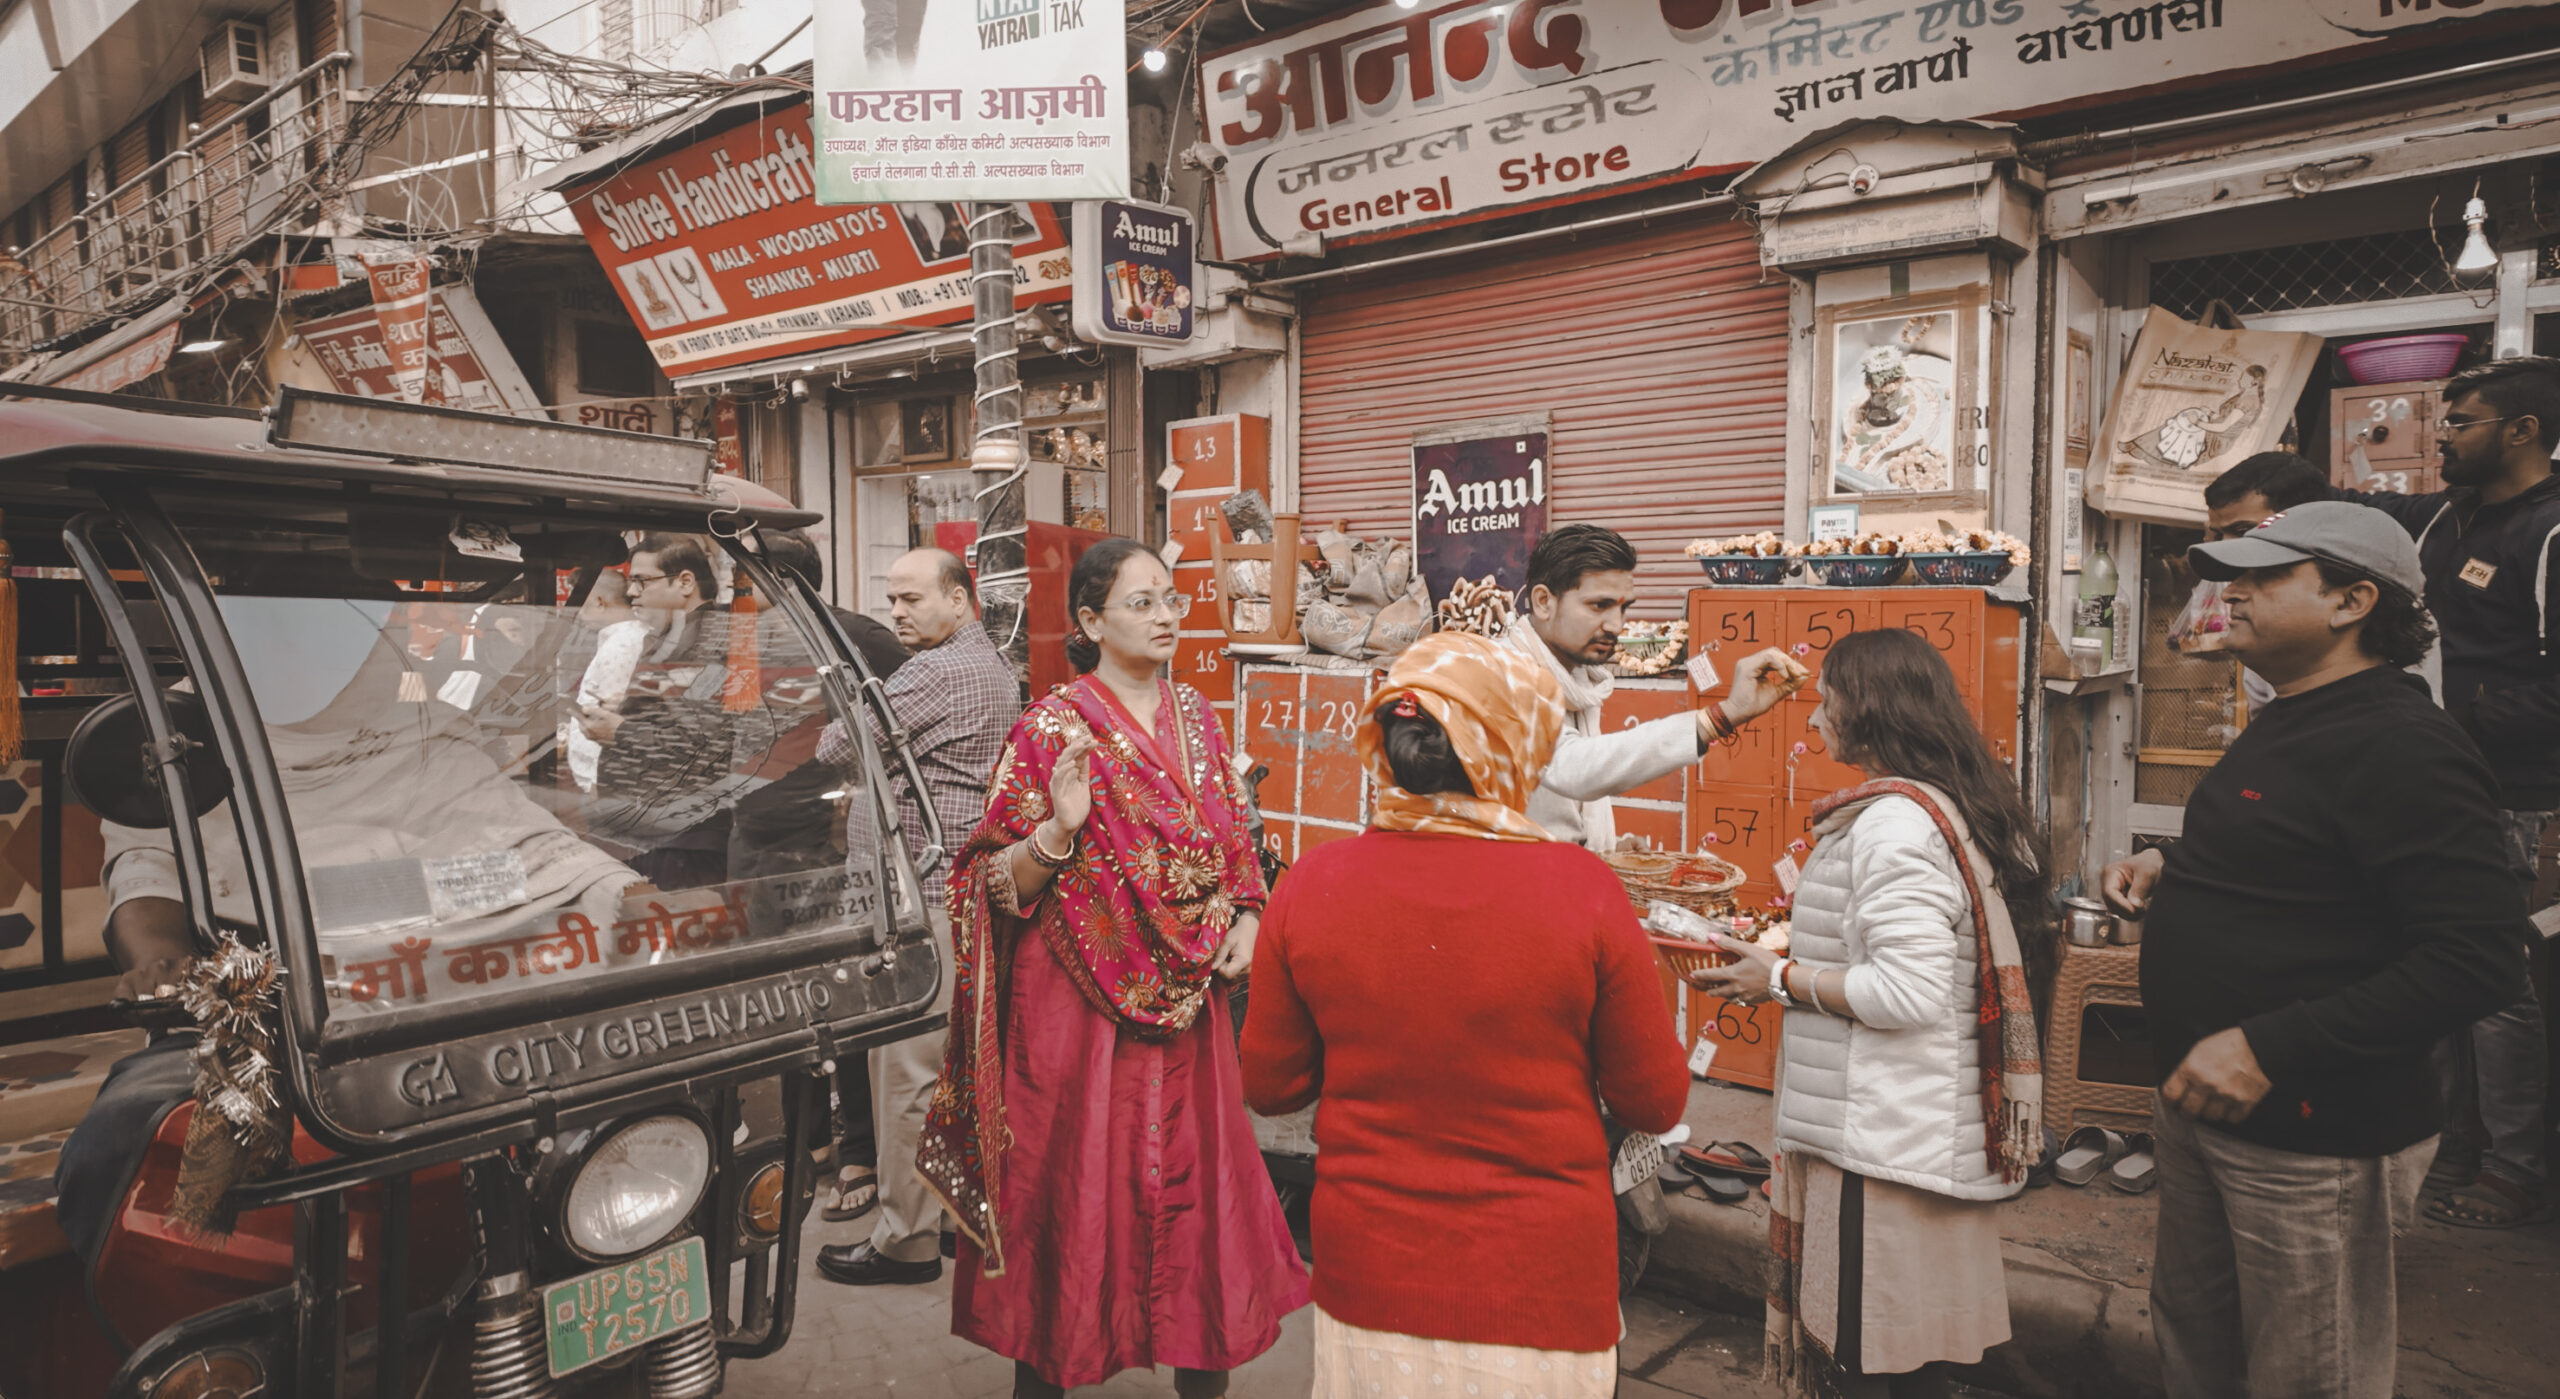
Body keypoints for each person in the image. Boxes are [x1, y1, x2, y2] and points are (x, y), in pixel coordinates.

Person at [2102, 502, 2525, 1398]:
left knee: (2306, 1370)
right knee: (2197, 1342)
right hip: (2202, 1107)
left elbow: (2477, 957)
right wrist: (2173, 864)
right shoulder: (2294, 715)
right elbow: (2306, 856)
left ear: (2352, 601)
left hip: (2309, 1135)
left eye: (2264, 575)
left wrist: (2269, 1046)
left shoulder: (2404, 745)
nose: (2232, 591)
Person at [1237, 631, 1688, 1399]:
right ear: (1515, 741)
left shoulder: (1313, 886)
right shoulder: (1583, 890)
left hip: (1370, 1271)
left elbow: (1272, 1084)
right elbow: (1654, 1099)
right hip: (1543, 1279)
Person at [924, 537, 1308, 1397]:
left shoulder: (1200, 716)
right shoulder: (1051, 728)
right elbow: (990, 880)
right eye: (1143, 602)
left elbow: (1233, 832)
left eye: (1172, 598)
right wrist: (1055, 834)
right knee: (1069, 1188)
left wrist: (1249, 911)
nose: (1168, 615)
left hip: (1191, 1004)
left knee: (1198, 1199)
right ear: (1090, 622)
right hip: (1075, 1008)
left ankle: (1201, 1368)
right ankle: (1049, 1368)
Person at [1690, 628, 2047, 1399]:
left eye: (1827, 703)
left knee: (1868, 1365)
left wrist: (1780, 976)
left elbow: (1907, 991)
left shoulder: (1893, 827)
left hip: (1882, 1141)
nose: (1814, 722)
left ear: (1873, 712)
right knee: (1906, 1363)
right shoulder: (1937, 805)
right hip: (1905, 1133)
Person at [2332, 357, 2560, 1229]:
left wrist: (2462, 718)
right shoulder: (2445, 518)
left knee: (2497, 983)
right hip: (2426, 776)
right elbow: (2371, 509)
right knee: (2422, 967)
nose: (2442, 437)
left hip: (2510, 791)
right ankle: (2447, 1139)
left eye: (2459, 421)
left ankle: (2513, 1162)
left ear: (2521, 430)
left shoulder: (2547, 532)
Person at [815, 548, 1018, 1287]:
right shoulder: (991, 665)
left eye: (912, 599)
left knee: (905, 1075)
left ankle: (903, 1239)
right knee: (947, 1070)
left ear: (960, 600)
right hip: (952, 898)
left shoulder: (934, 671)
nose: (897, 612)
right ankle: (945, 1218)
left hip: (920, 901)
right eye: (891, 599)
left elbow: (835, 744)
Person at [747, 528, 908, 1223]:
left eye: (751, 576)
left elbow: (906, 725)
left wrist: (864, 808)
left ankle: (859, 1151)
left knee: (844, 1000)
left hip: (827, 840)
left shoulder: (860, 637)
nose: (742, 592)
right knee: (780, 1003)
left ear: (787, 578)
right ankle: (806, 1138)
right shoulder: (742, 642)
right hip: (749, 841)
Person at [1497, 524, 1794, 850]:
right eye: (1599, 605)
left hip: (1563, 880)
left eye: (1623, 607)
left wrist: (1607, 851)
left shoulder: (1577, 676)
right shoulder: (1505, 672)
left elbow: (1556, 813)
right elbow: (1574, 768)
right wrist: (1719, 717)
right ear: (1542, 602)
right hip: (1519, 890)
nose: (1616, 625)